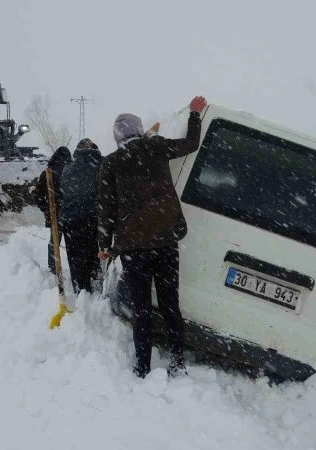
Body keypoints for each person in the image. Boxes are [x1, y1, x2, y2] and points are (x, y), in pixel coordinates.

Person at [97, 95, 207, 378]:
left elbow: (107, 209)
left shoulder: (112, 163)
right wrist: (194, 114)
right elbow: (191, 144)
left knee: (141, 309)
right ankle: (178, 361)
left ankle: (142, 367)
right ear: (139, 129)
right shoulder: (156, 148)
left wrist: (104, 245)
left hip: (134, 248)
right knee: (171, 305)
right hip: (165, 241)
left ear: (117, 137)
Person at [59, 138, 103, 294]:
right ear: (96, 151)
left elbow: (64, 190)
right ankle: (94, 279)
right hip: (93, 219)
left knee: (75, 256)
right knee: (93, 251)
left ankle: (80, 287)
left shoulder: (67, 169)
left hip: (71, 221)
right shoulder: (101, 166)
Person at [35, 146, 72, 273]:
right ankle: (76, 267)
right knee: (73, 243)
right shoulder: (70, 171)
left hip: (54, 214)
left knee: (54, 241)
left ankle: (53, 267)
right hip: (70, 214)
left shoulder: (47, 173)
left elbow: (38, 196)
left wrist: (46, 209)